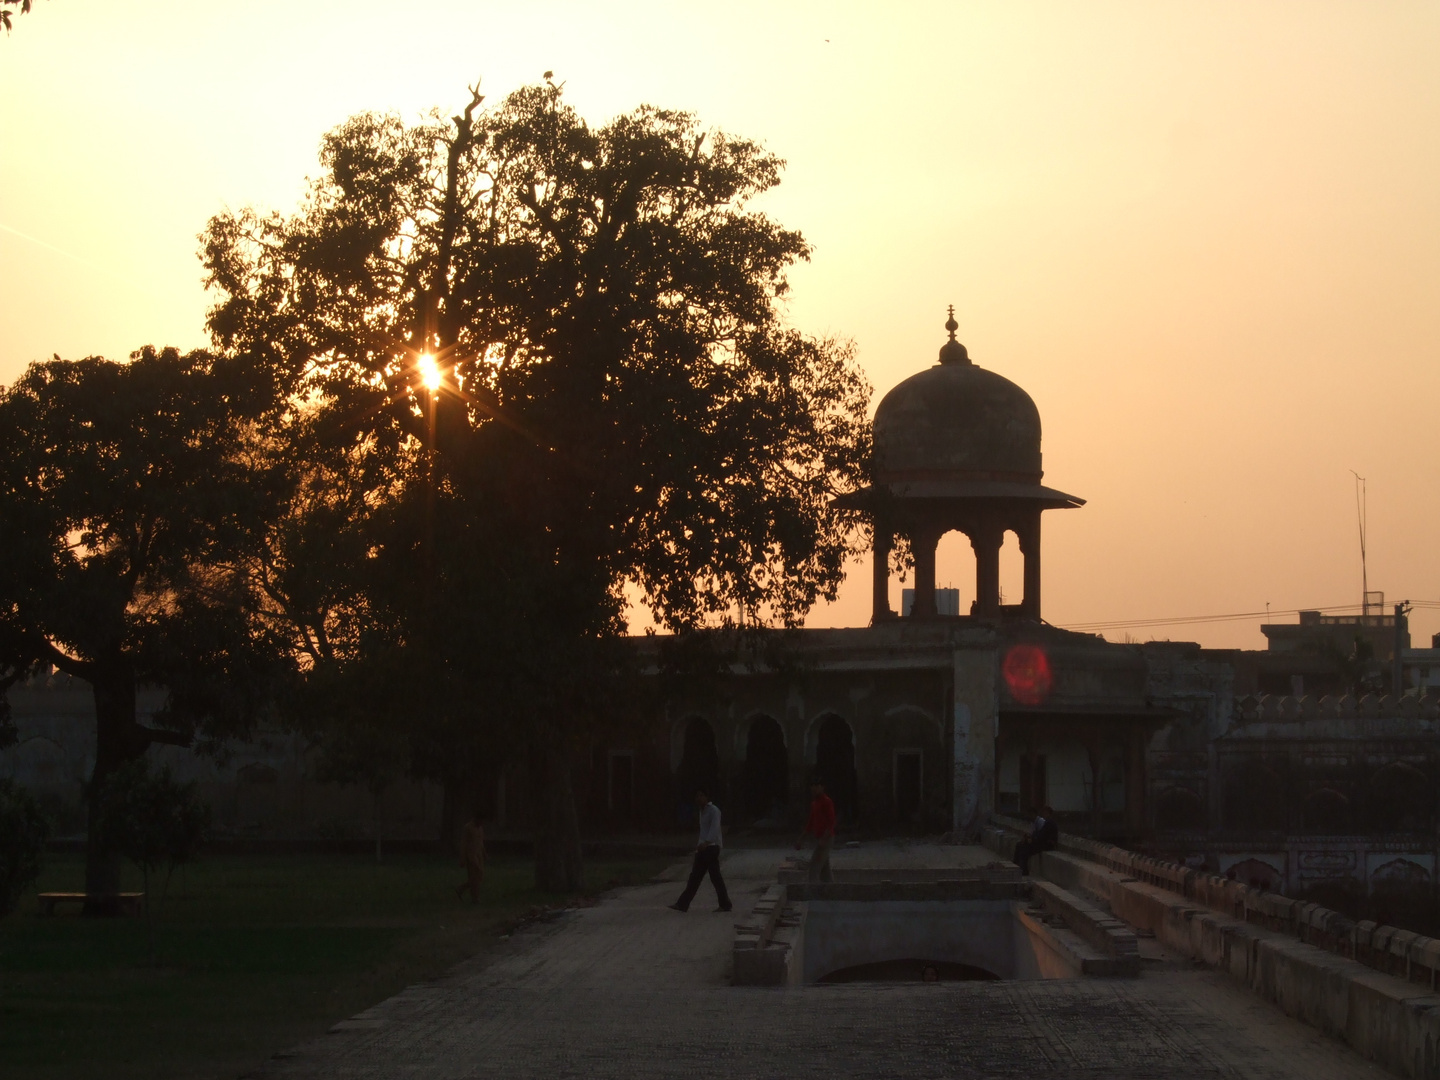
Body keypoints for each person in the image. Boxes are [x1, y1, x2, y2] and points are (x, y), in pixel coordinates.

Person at [669, 789, 732, 913]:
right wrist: (700, 845)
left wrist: (707, 842)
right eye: (697, 796)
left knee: (712, 877)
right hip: (703, 848)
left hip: (711, 847)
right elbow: (703, 830)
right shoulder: (701, 811)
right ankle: (683, 904)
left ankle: (724, 904)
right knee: (697, 877)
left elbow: (715, 828)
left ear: (707, 797)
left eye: (701, 795)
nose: (699, 798)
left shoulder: (713, 810)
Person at [795, 778, 836, 883]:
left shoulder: (827, 802)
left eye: (817, 786)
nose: (814, 789)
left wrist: (824, 838)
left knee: (814, 868)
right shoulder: (814, 804)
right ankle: (831, 891)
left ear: (822, 787)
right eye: (812, 786)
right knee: (825, 870)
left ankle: (813, 894)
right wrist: (801, 839)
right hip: (819, 838)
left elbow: (831, 822)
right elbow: (810, 824)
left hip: (826, 839)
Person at [1013, 805, 1058, 876]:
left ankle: (1023, 871)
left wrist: (1033, 840)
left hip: (1047, 845)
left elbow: (1042, 835)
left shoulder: (1048, 823)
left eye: (1045, 812)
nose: (1043, 814)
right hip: (1042, 843)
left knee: (1024, 850)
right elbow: (1037, 834)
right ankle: (1016, 867)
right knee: (1020, 846)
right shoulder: (1045, 822)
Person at [455, 811, 486, 903]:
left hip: (479, 855)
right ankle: (475, 898)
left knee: (479, 877)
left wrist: (484, 853)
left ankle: (461, 888)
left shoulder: (480, 828)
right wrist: (463, 858)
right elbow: (463, 844)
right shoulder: (468, 828)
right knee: (474, 876)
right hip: (471, 856)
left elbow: (481, 842)